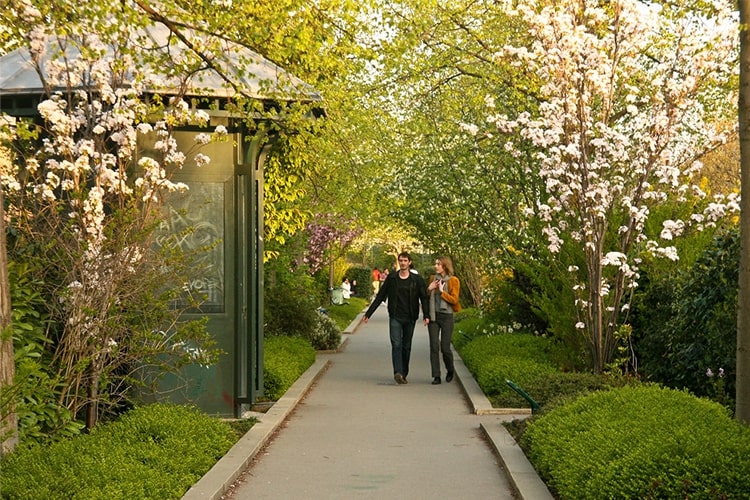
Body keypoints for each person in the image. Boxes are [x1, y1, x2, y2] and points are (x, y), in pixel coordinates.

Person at [363, 252, 430, 384]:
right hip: (395, 316)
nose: (403, 263)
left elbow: (423, 298)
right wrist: (368, 314)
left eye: (405, 260)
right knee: (396, 344)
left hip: (410, 317)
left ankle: (404, 372)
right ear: (399, 262)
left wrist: (426, 315)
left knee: (406, 346)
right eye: (401, 260)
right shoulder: (392, 278)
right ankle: (397, 372)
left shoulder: (417, 280)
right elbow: (381, 296)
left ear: (409, 262)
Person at [426, 256, 461, 385]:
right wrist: (429, 289)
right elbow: (426, 297)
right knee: (434, 346)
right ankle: (436, 376)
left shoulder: (453, 281)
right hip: (434, 316)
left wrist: (442, 292)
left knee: (445, 347)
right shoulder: (432, 279)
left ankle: (450, 370)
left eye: (438, 264)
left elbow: (454, 300)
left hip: (447, 316)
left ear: (445, 266)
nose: (436, 266)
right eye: (435, 263)